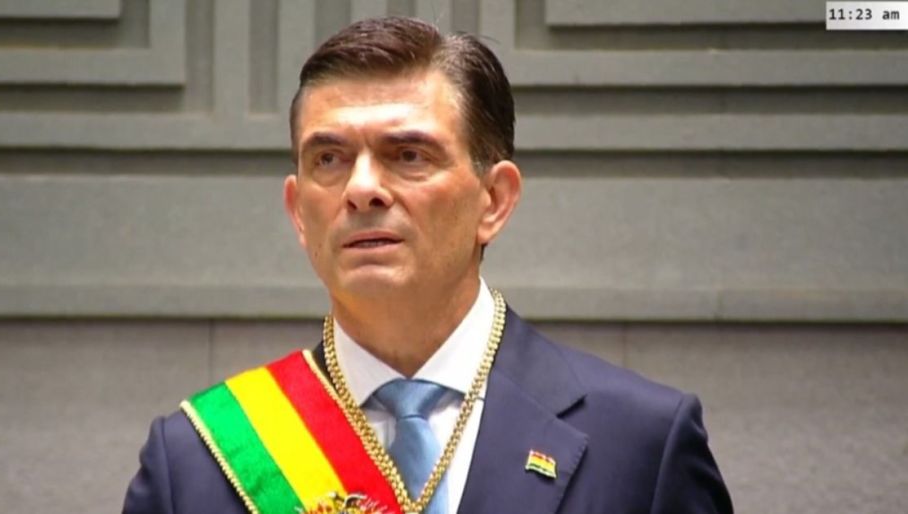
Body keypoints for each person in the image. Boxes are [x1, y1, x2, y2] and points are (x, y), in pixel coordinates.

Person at [122, 16, 733, 514]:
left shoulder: (640, 444)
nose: (362, 189)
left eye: (408, 155)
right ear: (299, 211)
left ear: (493, 200)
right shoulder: (198, 460)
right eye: (329, 159)